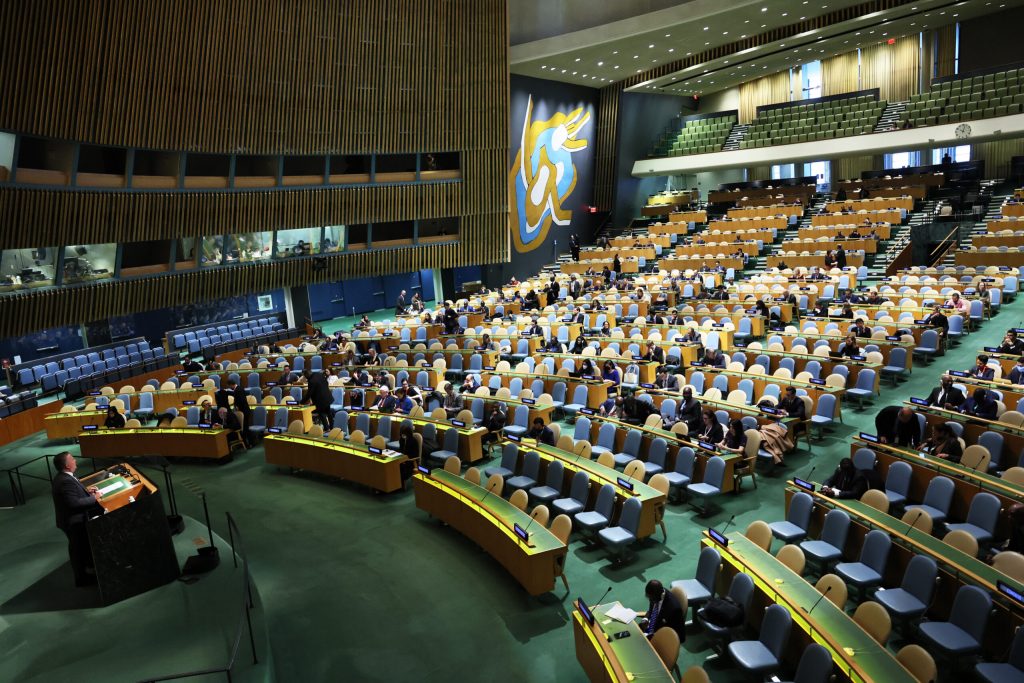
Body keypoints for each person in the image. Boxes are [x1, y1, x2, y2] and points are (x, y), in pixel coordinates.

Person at [52, 451, 104, 586]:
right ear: (67, 465)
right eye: (72, 460)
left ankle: (87, 571)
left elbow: (74, 494)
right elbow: (73, 503)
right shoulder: (65, 481)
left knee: (78, 548)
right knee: (78, 550)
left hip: (71, 520)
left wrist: (88, 492)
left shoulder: (65, 476)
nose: (75, 461)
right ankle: (82, 579)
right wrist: (94, 498)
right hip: (73, 522)